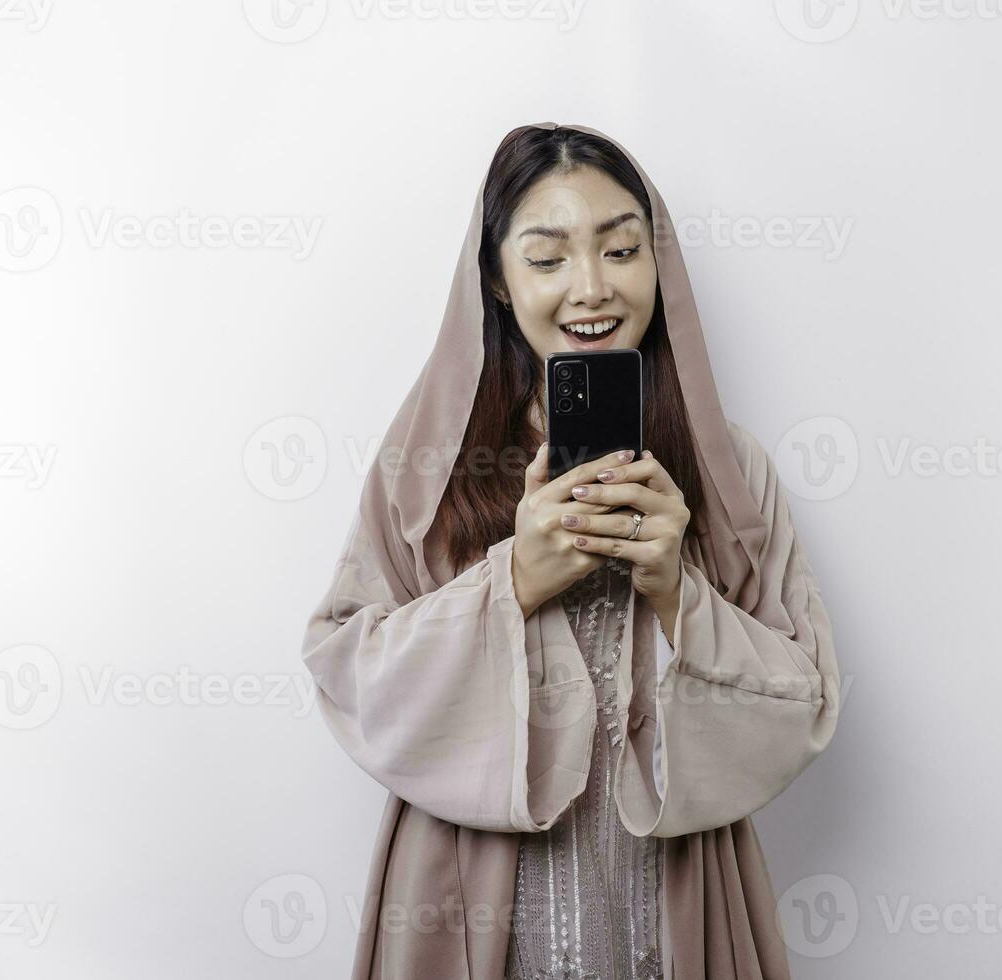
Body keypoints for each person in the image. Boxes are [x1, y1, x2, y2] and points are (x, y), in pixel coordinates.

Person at [300, 121, 841, 980]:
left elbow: (806, 702)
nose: (591, 289)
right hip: (468, 905)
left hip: (672, 903)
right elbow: (348, 675)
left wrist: (678, 595)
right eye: (548, 259)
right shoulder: (428, 471)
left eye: (622, 250)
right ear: (498, 280)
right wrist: (509, 582)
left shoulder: (730, 473)